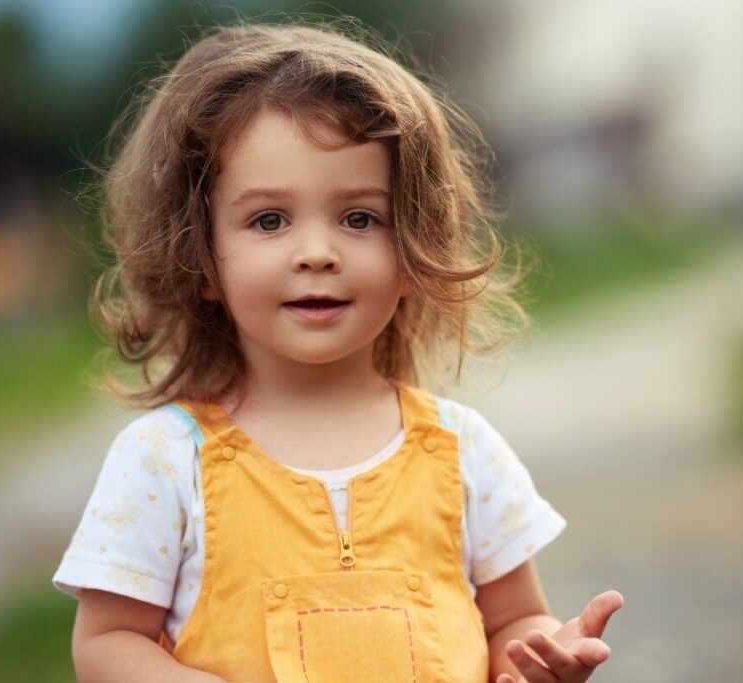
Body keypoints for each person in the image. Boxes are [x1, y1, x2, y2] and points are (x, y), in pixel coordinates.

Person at [53, 19, 623, 683]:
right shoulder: (164, 460)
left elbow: (513, 618)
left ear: (415, 247)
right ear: (202, 258)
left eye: (359, 218)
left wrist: (538, 659)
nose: (318, 253)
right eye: (269, 220)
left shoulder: (461, 449)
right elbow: (107, 642)